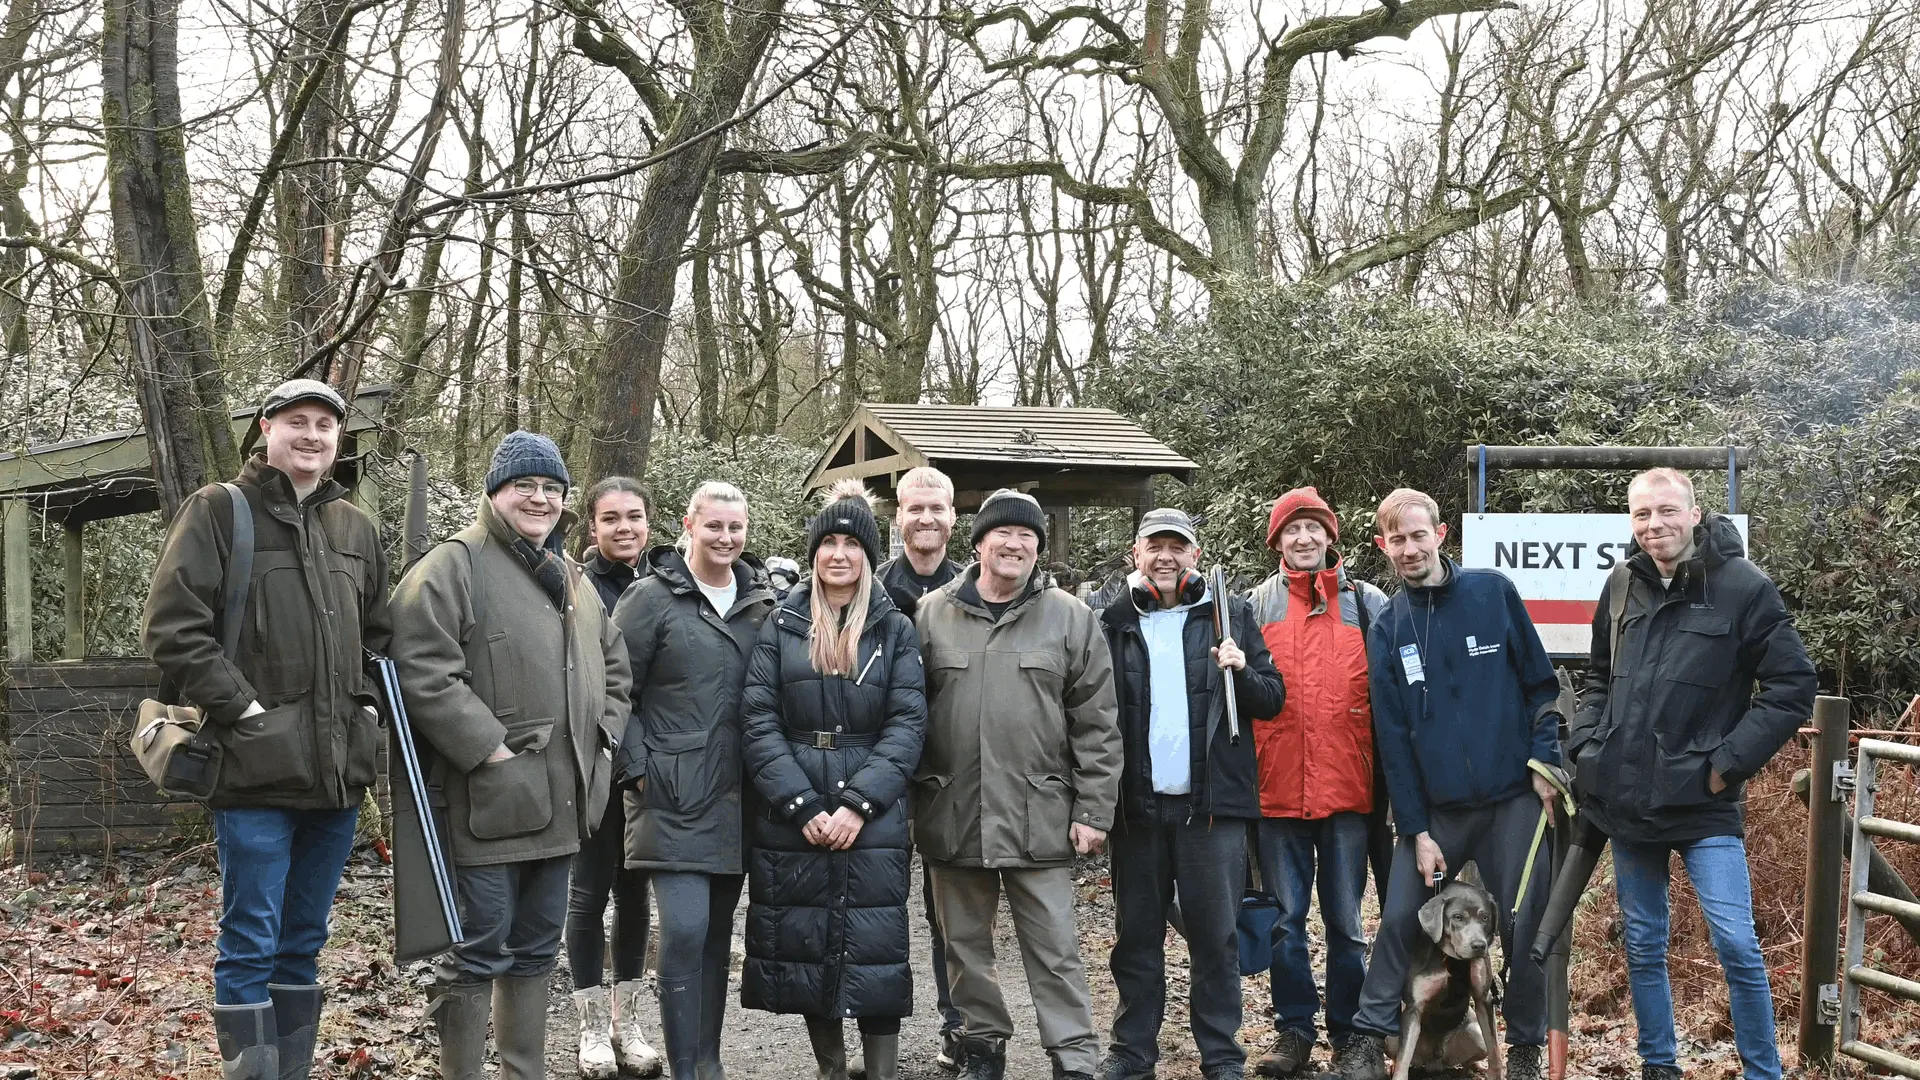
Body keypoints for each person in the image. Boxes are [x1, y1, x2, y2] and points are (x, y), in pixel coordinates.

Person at [143, 379, 391, 1080]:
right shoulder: (220, 511)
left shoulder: (356, 527)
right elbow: (172, 628)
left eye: (325, 426)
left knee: (304, 939)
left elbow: (381, 635)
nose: (313, 436)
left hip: (337, 773)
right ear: (266, 428)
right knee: (251, 938)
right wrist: (243, 710)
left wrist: (367, 710)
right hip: (252, 769)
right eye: (298, 423)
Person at [389, 430, 633, 1080]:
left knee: (532, 954)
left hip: (561, 809)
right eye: (525, 485)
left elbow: (615, 664)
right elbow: (421, 669)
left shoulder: (572, 577)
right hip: (484, 810)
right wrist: (489, 748)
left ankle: (524, 1073)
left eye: (551, 488)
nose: (539, 498)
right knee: (474, 953)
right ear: (495, 492)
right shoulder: (452, 566)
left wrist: (602, 737)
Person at [1570, 469, 1815, 1080]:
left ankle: (1763, 1072)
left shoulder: (1744, 588)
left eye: (1667, 511)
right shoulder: (1622, 583)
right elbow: (1598, 676)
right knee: (1644, 944)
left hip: (1704, 802)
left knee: (1736, 944)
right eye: (1642, 514)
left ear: (1695, 511)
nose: (1655, 526)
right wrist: (1586, 744)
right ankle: (1660, 1066)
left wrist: (1723, 766)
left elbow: (1792, 687)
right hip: (1628, 799)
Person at [1332, 488, 1561, 1080]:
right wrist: (1415, 827)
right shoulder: (1387, 625)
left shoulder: (1493, 593)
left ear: (1441, 533)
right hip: (1438, 812)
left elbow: (1542, 686)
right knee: (1404, 914)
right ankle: (1366, 1035)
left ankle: (1527, 1047)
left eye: (1418, 535)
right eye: (1397, 540)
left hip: (1513, 797)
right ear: (1383, 547)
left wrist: (1545, 763)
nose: (1409, 549)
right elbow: (1393, 737)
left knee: (1523, 920)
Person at [914, 488, 1122, 1080]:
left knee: (1055, 949)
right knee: (964, 947)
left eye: (1028, 536)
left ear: (1040, 548)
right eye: (1002, 534)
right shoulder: (931, 613)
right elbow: (906, 713)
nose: (1015, 544)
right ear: (978, 543)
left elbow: (1097, 721)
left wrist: (1095, 810)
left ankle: (1073, 1056)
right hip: (953, 809)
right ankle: (982, 1046)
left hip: (1042, 812)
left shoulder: (1071, 617)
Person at [739, 480, 928, 1080]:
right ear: (815, 551)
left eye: (853, 544)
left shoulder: (894, 629)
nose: (839, 554)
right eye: (829, 542)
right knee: (806, 938)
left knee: (874, 942)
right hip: (797, 805)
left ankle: (881, 1072)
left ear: (869, 557)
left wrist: (859, 804)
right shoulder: (782, 624)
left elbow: (907, 724)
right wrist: (799, 803)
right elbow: (758, 720)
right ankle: (830, 1069)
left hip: (872, 810)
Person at [1095, 509, 1285, 1080]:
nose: (1166, 557)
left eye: (1178, 546)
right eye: (1156, 546)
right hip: (1137, 810)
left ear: (1194, 556)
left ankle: (1222, 1058)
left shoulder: (1230, 614)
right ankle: (1132, 1054)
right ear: (1137, 553)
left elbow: (1272, 698)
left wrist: (1242, 670)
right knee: (1136, 943)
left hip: (1211, 812)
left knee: (1217, 943)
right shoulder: (1113, 620)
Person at [612, 481, 777, 1080]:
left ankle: (708, 1063)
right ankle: (685, 1068)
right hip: (670, 794)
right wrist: (637, 770)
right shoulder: (650, 599)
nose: (727, 538)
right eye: (715, 526)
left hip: (739, 800)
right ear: (688, 524)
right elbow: (613, 691)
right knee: (683, 930)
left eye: (737, 528)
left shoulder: (762, 603)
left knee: (714, 938)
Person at [1243, 488, 1388, 1077]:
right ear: (1277, 541)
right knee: (1284, 921)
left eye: (1313, 528)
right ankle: (1294, 1033)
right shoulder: (1252, 606)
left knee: (1348, 923)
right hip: (1276, 790)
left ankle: (1355, 1036)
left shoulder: (1368, 603)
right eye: (1292, 529)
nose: (1304, 538)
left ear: (1331, 536)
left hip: (1350, 793)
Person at [568, 476, 663, 1078]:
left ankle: (626, 1020)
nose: (623, 528)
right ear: (592, 525)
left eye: (633, 516)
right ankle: (589, 1029)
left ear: (650, 521)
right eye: (610, 518)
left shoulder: (665, 584)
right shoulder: (575, 587)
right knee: (588, 890)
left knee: (635, 894)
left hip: (651, 765)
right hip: (597, 759)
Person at [873, 465, 967, 1070]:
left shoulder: (973, 587)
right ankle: (875, 1031)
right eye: (915, 508)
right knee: (878, 902)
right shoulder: (872, 587)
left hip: (947, 770)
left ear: (954, 518)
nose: (926, 518)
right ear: (898, 516)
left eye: (937, 508)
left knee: (947, 910)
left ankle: (957, 1025)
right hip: (879, 768)